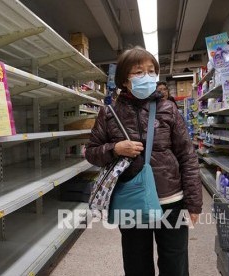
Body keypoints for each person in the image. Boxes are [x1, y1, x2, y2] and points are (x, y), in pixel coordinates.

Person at [85, 46, 202, 276]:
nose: (146, 77)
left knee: (175, 264)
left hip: (171, 200)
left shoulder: (168, 109)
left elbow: (187, 156)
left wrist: (194, 202)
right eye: (138, 72)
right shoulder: (109, 113)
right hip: (131, 201)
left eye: (151, 71)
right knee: (137, 264)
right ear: (124, 80)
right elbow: (91, 152)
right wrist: (115, 148)